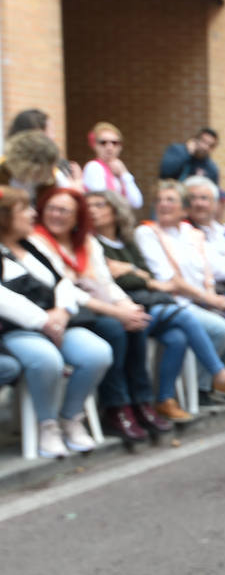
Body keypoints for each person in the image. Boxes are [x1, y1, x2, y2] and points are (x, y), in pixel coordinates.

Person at [88, 189, 225, 424]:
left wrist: (133, 272)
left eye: (99, 204)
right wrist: (139, 275)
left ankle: (163, 399)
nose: (92, 210)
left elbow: (145, 275)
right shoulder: (97, 242)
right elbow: (126, 280)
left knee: (177, 337)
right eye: (88, 206)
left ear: (115, 210)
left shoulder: (126, 241)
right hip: (125, 306)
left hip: (147, 302)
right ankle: (218, 374)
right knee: (187, 318)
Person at [29, 186, 159, 444]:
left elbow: (105, 281)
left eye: (64, 210)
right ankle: (116, 406)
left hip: (95, 305)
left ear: (77, 216)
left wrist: (128, 306)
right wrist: (118, 313)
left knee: (138, 323)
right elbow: (66, 288)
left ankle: (139, 400)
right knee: (114, 329)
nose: (56, 215)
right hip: (69, 312)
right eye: (52, 208)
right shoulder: (37, 241)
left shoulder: (87, 242)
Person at [0, 187, 112, 457]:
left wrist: (61, 313)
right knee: (46, 358)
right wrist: (44, 322)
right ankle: (46, 425)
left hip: (58, 324)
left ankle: (70, 417)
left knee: (98, 353)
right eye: (25, 209)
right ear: (5, 217)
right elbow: (4, 299)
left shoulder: (30, 246)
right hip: (18, 330)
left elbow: (62, 281)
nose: (33, 214)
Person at [134, 181, 225, 407]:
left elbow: (206, 270)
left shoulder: (190, 233)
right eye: (159, 200)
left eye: (170, 200)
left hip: (201, 299)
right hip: (176, 301)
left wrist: (213, 297)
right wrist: (210, 299)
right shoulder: (147, 232)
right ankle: (207, 385)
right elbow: (170, 279)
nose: (163, 204)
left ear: (183, 208)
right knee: (219, 328)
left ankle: (213, 385)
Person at [6, 109, 81, 186]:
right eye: (51, 131)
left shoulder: (6, 166)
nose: (53, 137)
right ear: (37, 134)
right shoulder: (48, 171)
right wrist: (77, 182)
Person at [81, 121, 143, 210]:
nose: (109, 147)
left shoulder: (119, 170)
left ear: (120, 147)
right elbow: (103, 200)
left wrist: (124, 174)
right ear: (94, 145)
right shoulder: (93, 167)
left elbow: (137, 202)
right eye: (103, 142)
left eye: (114, 143)